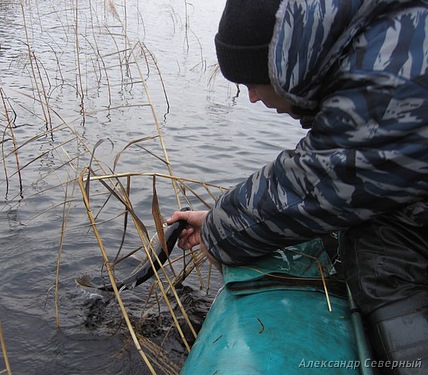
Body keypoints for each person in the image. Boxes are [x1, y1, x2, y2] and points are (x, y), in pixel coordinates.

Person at [168, 0, 428, 373]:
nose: (253, 97)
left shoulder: (389, 73)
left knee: (380, 252)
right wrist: (215, 220)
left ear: (283, 64)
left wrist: (216, 234)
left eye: (254, 80)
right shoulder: (385, 40)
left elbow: (311, 186)